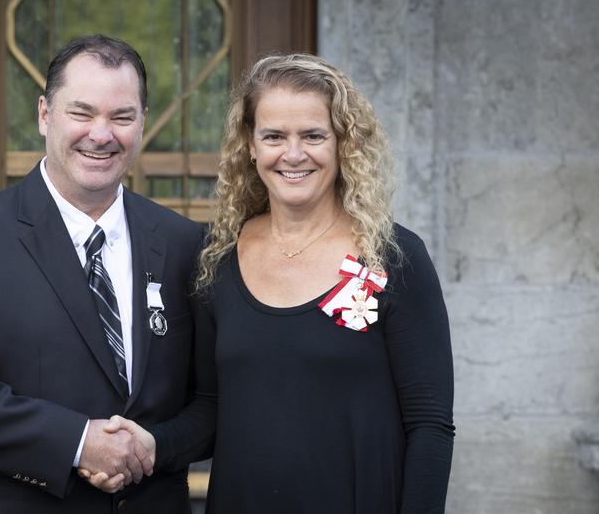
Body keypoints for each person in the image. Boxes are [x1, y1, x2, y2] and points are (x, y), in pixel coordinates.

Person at [0, 34, 216, 514]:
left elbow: (211, 400)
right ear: (44, 115)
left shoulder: (183, 243)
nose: (101, 134)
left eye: (121, 117)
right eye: (82, 113)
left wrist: (155, 448)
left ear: (142, 124)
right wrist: (78, 441)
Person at [194, 53, 455, 513]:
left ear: (342, 144)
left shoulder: (390, 257)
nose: (293, 154)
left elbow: (430, 424)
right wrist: (141, 447)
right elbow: (208, 408)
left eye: (313, 135)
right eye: (274, 136)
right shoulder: (217, 259)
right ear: (250, 146)